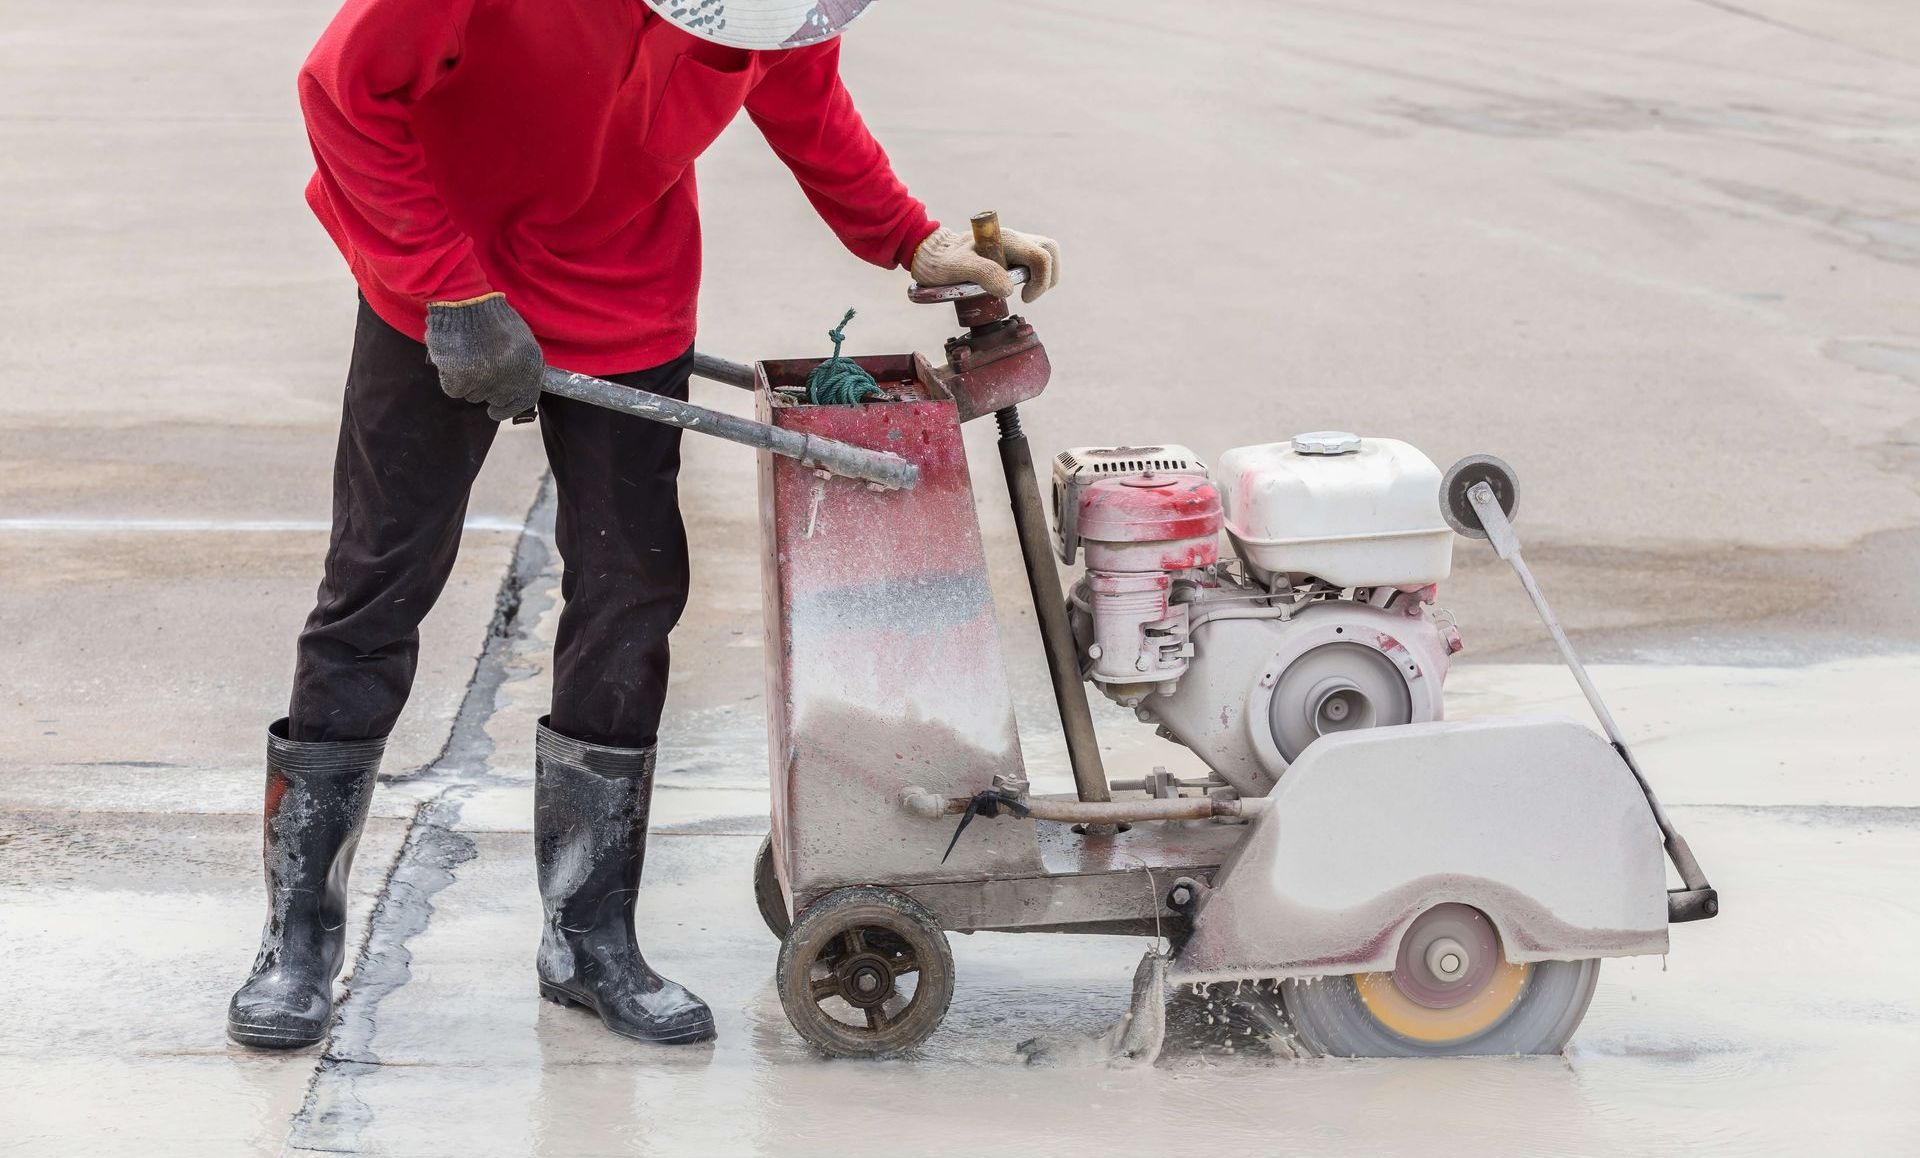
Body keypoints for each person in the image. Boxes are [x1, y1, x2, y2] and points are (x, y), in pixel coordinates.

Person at [227, 0, 1060, 1050]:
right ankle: (297, 942)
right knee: (378, 582)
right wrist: (449, 289)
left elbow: (804, 97)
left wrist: (907, 235)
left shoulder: (775, 13)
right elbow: (344, 93)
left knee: (631, 594)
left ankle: (589, 938)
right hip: (435, 281)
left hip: (624, 288)